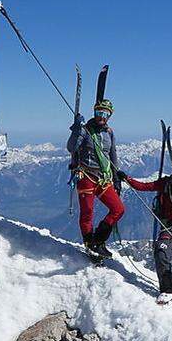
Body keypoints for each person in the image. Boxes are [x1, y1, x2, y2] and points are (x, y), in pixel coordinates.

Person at [119, 151, 172, 303]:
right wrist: (127, 178)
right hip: (169, 225)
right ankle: (167, 289)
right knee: (161, 251)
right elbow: (144, 186)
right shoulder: (165, 183)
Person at [66, 99, 125, 259]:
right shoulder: (85, 130)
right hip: (86, 175)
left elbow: (112, 155)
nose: (102, 116)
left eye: (105, 113)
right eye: (99, 112)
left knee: (118, 209)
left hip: (103, 178)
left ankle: (98, 240)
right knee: (87, 212)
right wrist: (77, 129)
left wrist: (116, 177)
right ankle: (89, 244)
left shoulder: (109, 133)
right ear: (95, 112)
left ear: (109, 116)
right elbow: (71, 147)